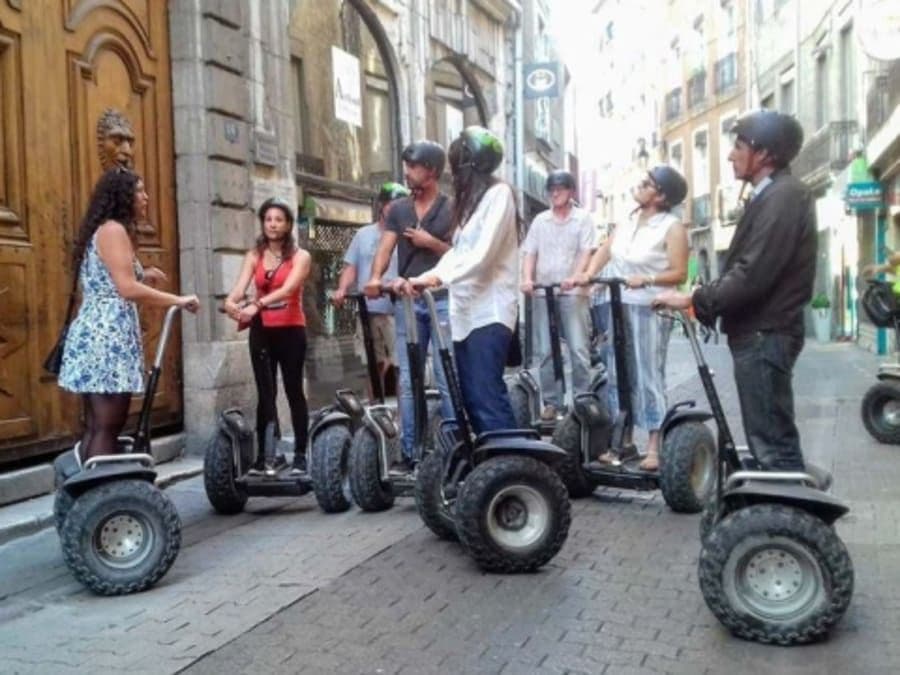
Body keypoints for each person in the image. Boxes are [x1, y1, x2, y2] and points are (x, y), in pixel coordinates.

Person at [654, 110, 813, 472]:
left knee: (772, 445)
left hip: (765, 334)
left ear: (765, 154)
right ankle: (781, 518)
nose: (730, 155)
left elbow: (752, 274)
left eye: (739, 146)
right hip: (761, 332)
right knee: (768, 438)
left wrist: (694, 298)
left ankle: (785, 523)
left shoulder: (784, 197)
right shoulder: (773, 195)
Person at [58, 168, 200, 463]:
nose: (145, 197)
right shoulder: (113, 230)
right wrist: (178, 300)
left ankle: (89, 495)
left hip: (102, 333)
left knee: (99, 425)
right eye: (139, 191)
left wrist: (143, 273)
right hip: (106, 337)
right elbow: (125, 288)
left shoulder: (105, 229)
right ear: (123, 196)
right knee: (108, 425)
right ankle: (99, 497)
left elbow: (113, 276)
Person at [565, 165, 689, 471]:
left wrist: (646, 280)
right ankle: (623, 439)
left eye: (648, 184)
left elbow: (680, 272)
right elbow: (606, 250)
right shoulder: (629, 220)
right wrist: (587, 275)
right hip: (617, 303)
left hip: (650, 307)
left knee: (648, 374)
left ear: (661, 196)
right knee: (618, 374)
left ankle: (653, 445)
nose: (640, 185)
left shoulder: (671, 227)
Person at [395, 126, 518, 434]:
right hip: (465, 313)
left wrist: (438, 276)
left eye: (455, 163)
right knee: (473, 399)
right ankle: (490, 471)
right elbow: (458, 252)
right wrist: (422, 279)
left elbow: (483, 253)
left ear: (469, 164)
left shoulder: (499, 195)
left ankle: (510, 470)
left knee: (487, 395)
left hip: (490, 313)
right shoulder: (471, 204)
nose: (451, 171)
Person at [365, 141, 455, 473]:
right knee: (408, 379)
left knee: (447, 377)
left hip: (442, 299)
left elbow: (464, 255)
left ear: (431, 170)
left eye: (413, 167)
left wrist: (431, 244)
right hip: (407, 299)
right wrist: (376, 277)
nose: (407, 172)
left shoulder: (451, 207)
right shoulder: (400, 209)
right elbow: (386, 248)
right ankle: (410, 453)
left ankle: (454, 448)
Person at [224, 197, 312, 476]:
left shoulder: (301, 256)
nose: (273, 224)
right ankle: (265, 456)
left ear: (288, 225)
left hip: (291, 329)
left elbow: (287, 290)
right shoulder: (254, 255)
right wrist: (231, 301)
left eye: (279, 219)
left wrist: (257, 304)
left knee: (293, 389)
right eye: (268, 219)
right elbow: (240, 288)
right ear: (263, 223)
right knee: (266, 393)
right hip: (262, 330)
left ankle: (300, 454)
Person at [520, 170, 596, 420]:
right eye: (551, 189)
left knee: (578, 347)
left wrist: (575, 277)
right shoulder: (541, 220)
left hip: (573, 291)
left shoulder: (582, 219)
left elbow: (586, 251)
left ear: (571, 192)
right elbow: (530, 252)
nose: (555, 193)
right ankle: (552, 402)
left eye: (560, 189)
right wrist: (528, 279)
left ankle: (582, 399)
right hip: (544, 291)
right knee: (544, 350)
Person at [333, 182, 410, 397]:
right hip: (369, 309)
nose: (393, 210)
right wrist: (341, 288)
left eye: (399, 206)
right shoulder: (363, 234)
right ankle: (377, 411)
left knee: (400, 366)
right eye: (390, 205)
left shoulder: (409, 235)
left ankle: (402, 416)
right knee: (372, 364)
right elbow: (351, 266)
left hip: (399, 310)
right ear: (381, 206)